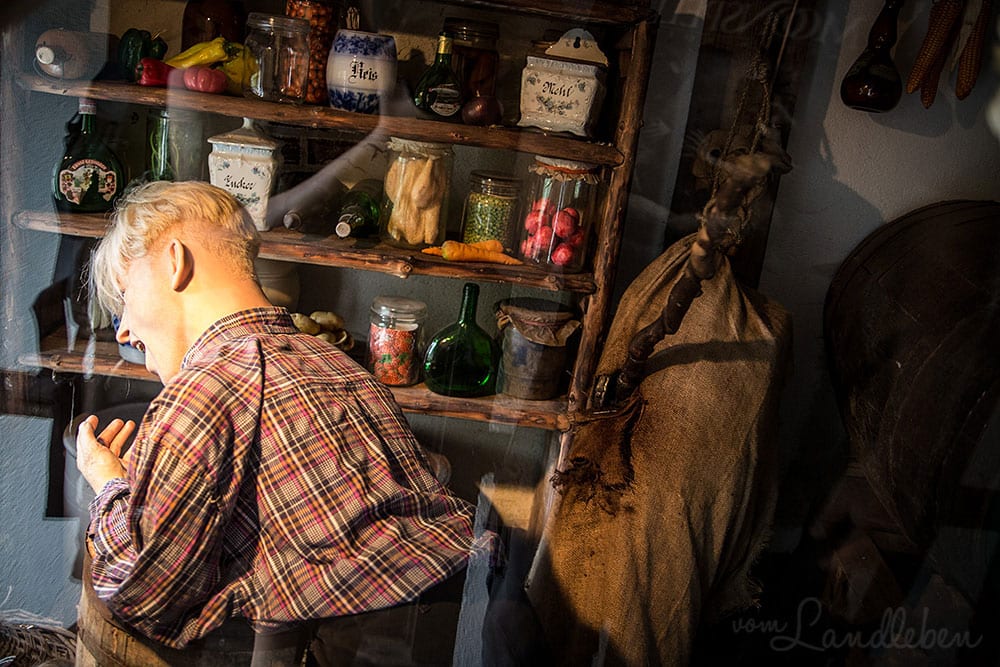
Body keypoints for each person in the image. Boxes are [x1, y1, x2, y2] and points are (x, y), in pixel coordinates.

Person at [76, 180, 475, 665]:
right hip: (471, 616)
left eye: (125, 295)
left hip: (367, 649)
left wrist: (109, 485)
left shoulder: (203, 391)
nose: (123, 330)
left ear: (175, 262)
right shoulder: (339, 365)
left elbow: (147, 596)